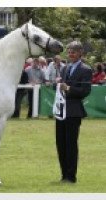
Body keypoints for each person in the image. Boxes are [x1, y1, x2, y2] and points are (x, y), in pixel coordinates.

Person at [56, 41, 92, 183]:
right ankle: (63, 175)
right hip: (61, 111)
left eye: (73, 52)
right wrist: (57, 85)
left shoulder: (86, 69)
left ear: (80, 53)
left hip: (74, 111)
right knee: (61, 143)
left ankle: (71, 176)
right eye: (69, 51)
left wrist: (69, 88)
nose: (70, 54)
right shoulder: (65, 68)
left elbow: (85, 91)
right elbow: (60, 88)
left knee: (71, 144)